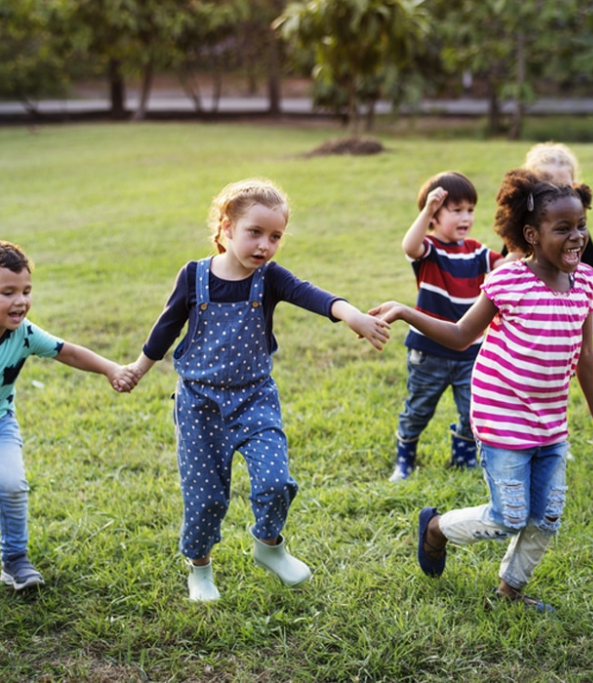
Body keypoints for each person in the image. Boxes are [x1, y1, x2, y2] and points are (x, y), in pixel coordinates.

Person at [123, 178, 391, 602]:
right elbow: (167, 326)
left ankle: (269, 545)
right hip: (200, 405)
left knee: (275, 481)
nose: (265, 245)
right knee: (206, 497)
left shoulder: (270, 278)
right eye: (255, 232)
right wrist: (139, 368)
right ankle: (200, 568)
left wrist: (353, 315)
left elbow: (314, 295)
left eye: (275, 236)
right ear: (226, 227)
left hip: (254, 399)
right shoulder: (193, 277)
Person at [372, 169, 593, 612]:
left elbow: (585, 353)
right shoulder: (509, 281)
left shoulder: (585, 283)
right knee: (509, 517)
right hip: (501, 415)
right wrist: (406, 311)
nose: (577, 236)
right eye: (563, 228)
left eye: (581, 225)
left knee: (548, 517)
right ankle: (436, 528)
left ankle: (510, 593)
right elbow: (463, 335)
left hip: (550, 422)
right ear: (531, 234)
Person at [0, 241, 135, 592]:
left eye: (26, 291)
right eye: (7, 292)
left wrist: (110, 369)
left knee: (12, 486)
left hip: (1, 424)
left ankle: (15, 559)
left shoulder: (24, 334)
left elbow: (68, 353)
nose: (20, 302)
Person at [390, 171, 503, 482]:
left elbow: (509, 266)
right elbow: (409, 246)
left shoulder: (478, 252)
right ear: (435, 217)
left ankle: (463, 457)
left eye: (470, 210)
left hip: (471, 351)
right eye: (456, 210)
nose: (465, 217)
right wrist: (426, 209)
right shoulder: (430, 249)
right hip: (429, 352)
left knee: (473, 411)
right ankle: (405, 459)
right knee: (419, 409)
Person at [521, 143, 593, 333]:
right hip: (530, 314)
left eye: (564, 187)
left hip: (567, 314)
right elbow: (504, 268)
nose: (556, 194)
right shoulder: (524, 228)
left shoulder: (574, 233)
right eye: (547, 186)